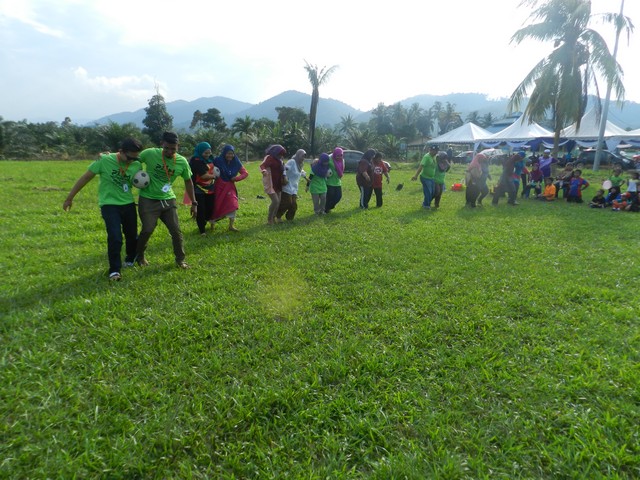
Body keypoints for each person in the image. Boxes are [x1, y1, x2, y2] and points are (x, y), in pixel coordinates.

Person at [63, 138, 143, 281]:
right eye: (129, 157)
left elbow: (137, 181)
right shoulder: (104, 160)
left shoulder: (136, 164)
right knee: (115, 237)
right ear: (121, 152)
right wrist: (70, 198)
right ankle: (115, 270)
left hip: (128, 204)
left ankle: (131, 259)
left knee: (132, 236)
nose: (132, 161)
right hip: (109, 204)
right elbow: (85, 178)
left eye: (135, 158)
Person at [136, 131, 197, 269]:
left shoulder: (182, 161)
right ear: (161, 144)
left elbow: (188, 181)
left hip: (168, 199)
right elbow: (132, 159)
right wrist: (110, 156)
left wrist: (194, 203)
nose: (169, 152)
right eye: (166, 148)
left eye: (173, 149)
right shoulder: (150, 153)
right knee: (147, 229)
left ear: (178, 146)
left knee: (176, 231)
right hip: (148, 199)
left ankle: (180, 260)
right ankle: (139, 256)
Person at [211, 144, 249, 231]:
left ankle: (231, 226)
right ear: (224, 153)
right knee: (217, 205)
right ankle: (212, 225)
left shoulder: (236, 162)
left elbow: (245, 173)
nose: (230, 155)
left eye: (232, 153)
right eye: (228, 153)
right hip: (219, 187)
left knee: (233, 204)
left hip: (230, 187)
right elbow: (209, 168)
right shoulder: (218, 160)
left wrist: (236, 178)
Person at [187, 142, 216, 236]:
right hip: (198, 188)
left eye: (209, 152)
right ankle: (202, 230)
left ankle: (205, 221)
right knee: (201, 209)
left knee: (210, 207)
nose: (207, 155)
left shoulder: (211, 159)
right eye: (205, 153)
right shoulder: (196, 160)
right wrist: (215, 176)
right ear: (200, 152)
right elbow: (203, 176)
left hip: (210, 187)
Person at [276, 149, 307, 221]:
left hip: (294, 188)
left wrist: (306, 178)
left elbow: (301, 171)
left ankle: (289, 219)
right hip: (287, 185)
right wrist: (284, 176)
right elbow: (284, 168)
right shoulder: (292, 162)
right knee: (287, 203)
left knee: (294, 205)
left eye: (304, 157)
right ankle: (278, 215)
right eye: (302, 156)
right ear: (298, 155)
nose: (303, 158)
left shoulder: (300, 164)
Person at [260, 144, 287, 225]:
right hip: (270, 182)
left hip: (278, 182)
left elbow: (283, 169)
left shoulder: (280, 159)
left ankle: (273, 217)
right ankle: (269, 219)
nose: (281, 155)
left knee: (278, 202)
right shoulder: (269, 158)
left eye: (282, 154)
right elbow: (262, 165)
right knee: (275, 201)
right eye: (280, 153)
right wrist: (264, 171)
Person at [411, 144, 438, 209]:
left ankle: (426, 203)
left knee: (434, 192)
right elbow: (421, 166)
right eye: (434, 150)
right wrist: (415, 176)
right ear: (430, 150)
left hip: (432, 178)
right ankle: (426, 205)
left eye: (436, 150)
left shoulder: (434, 157)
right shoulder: (426, 157)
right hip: (425, 178)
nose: (435, 152)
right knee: (428, 192)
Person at [325, 147, 345, 213]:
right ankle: (326, 208)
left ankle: (329, 207)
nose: (339, 157)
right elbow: (322, 163)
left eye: (341, 155)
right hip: (329, 181)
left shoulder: (342, 161)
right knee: (330, 196)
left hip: (337, 181)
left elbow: (342, 170)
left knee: (338, 196)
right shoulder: (330, 159)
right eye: (338, 155)